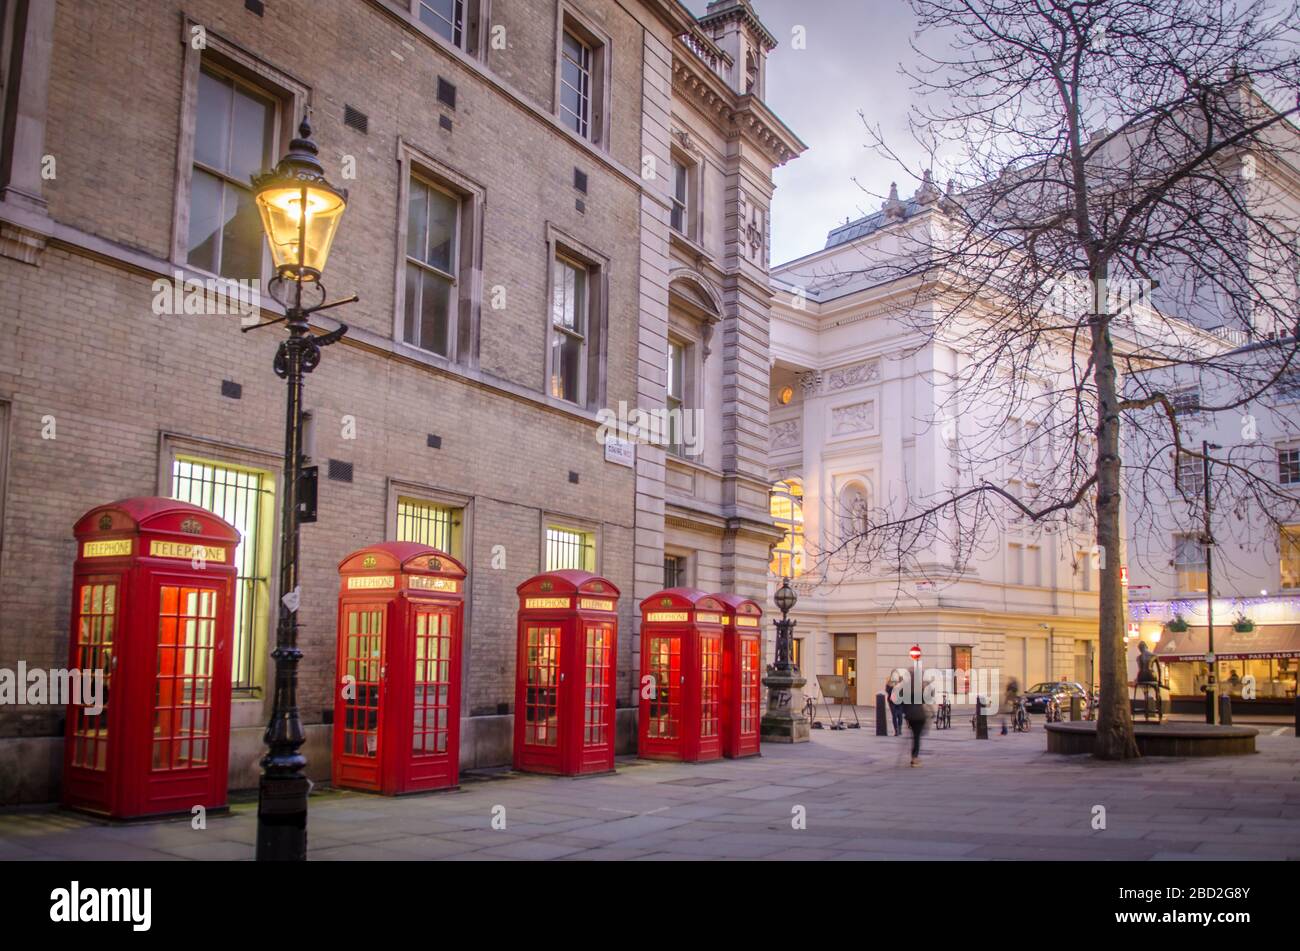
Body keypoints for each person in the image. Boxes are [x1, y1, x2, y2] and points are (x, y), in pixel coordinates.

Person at [902, 693, 930, 767]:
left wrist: (907, 718)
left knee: (915, 736)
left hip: (911, 717)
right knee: (916, 737)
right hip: (919, 716)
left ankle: (914, 757)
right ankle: (915, 758)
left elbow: (903, 707)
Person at [885, 671, 904, 736]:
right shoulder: (889, 682)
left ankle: (900, 729)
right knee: (894, 715)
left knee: (900, 715)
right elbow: (887, 690)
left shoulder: (901, 681)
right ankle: (896, 730)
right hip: (892, 701)